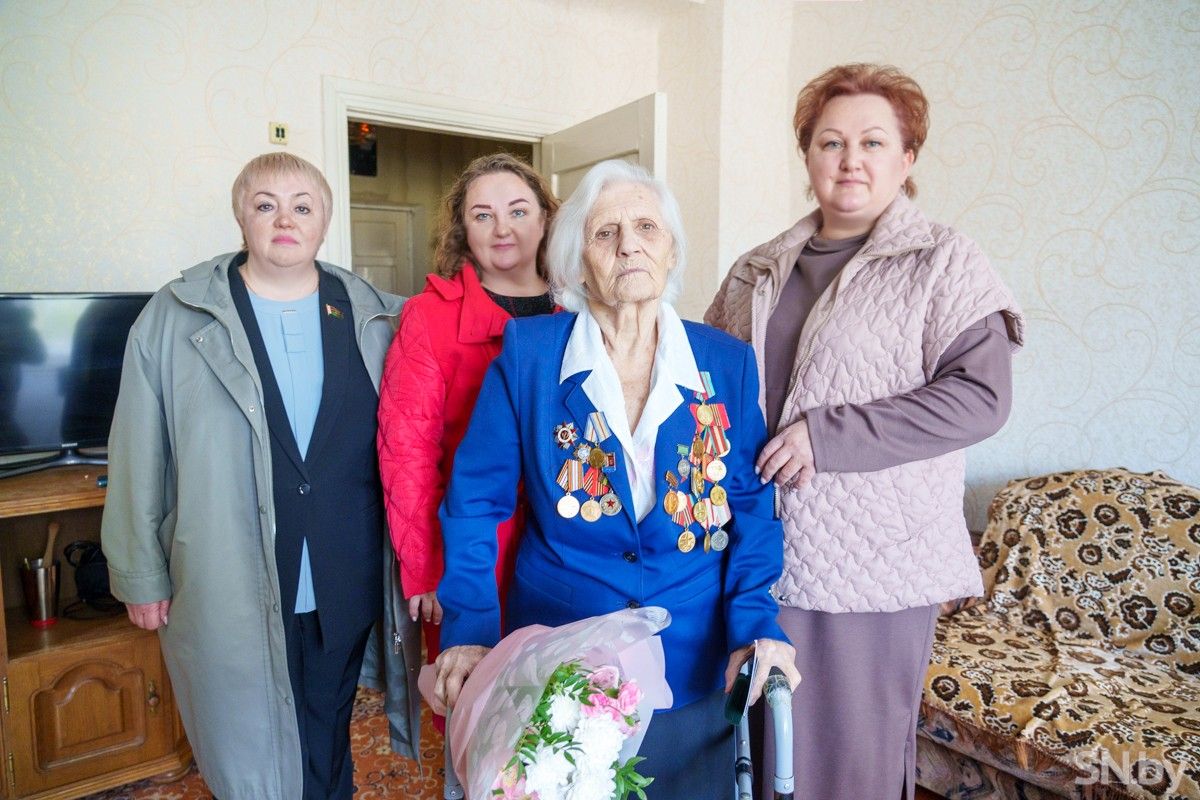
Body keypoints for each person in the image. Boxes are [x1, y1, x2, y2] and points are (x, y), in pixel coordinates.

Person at [705, 63, 1025, 800]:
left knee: (849, 759)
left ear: (907, 159)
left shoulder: (944, 261)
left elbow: (980, 397)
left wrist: (828, 434)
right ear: (808, 155)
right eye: (831, 142)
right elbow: (709, 387)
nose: (851, 159)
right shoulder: (757, 268)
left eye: (873, 142)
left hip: (873, 561)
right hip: (755, 553)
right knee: (754, 750)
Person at [433, 159, 801, 798]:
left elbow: (750, 510)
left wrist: (755, 625)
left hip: (693, 659)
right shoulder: (530, 356)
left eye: (647, 228)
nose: (629, 245)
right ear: (576, 263)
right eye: (605, 233)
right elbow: (474, 501)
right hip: (561, 659)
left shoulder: (726, 364)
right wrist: (469, 631)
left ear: (671, 251)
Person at [101, 152, 406, 800]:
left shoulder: (375, 315)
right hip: (231, 575)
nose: (285, 219)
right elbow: (137, 451)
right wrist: (138, 571)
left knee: (328, 722)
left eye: (303, 205)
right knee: (248, 739)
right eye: (266, 204)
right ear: (241, 217)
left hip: (342, 570)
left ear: (325, 221)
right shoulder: (176, 316)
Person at [377, 153, 558, 711]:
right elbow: (406, 452)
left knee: (563, 708)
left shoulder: (579, 310)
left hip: (565, 547)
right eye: (483, 215)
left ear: (546, 220)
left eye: (518, 211)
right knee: (477, 710)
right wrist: (427, 566)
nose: (502, 228)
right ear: (462, 228)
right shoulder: (429, 316)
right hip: (470, 552)